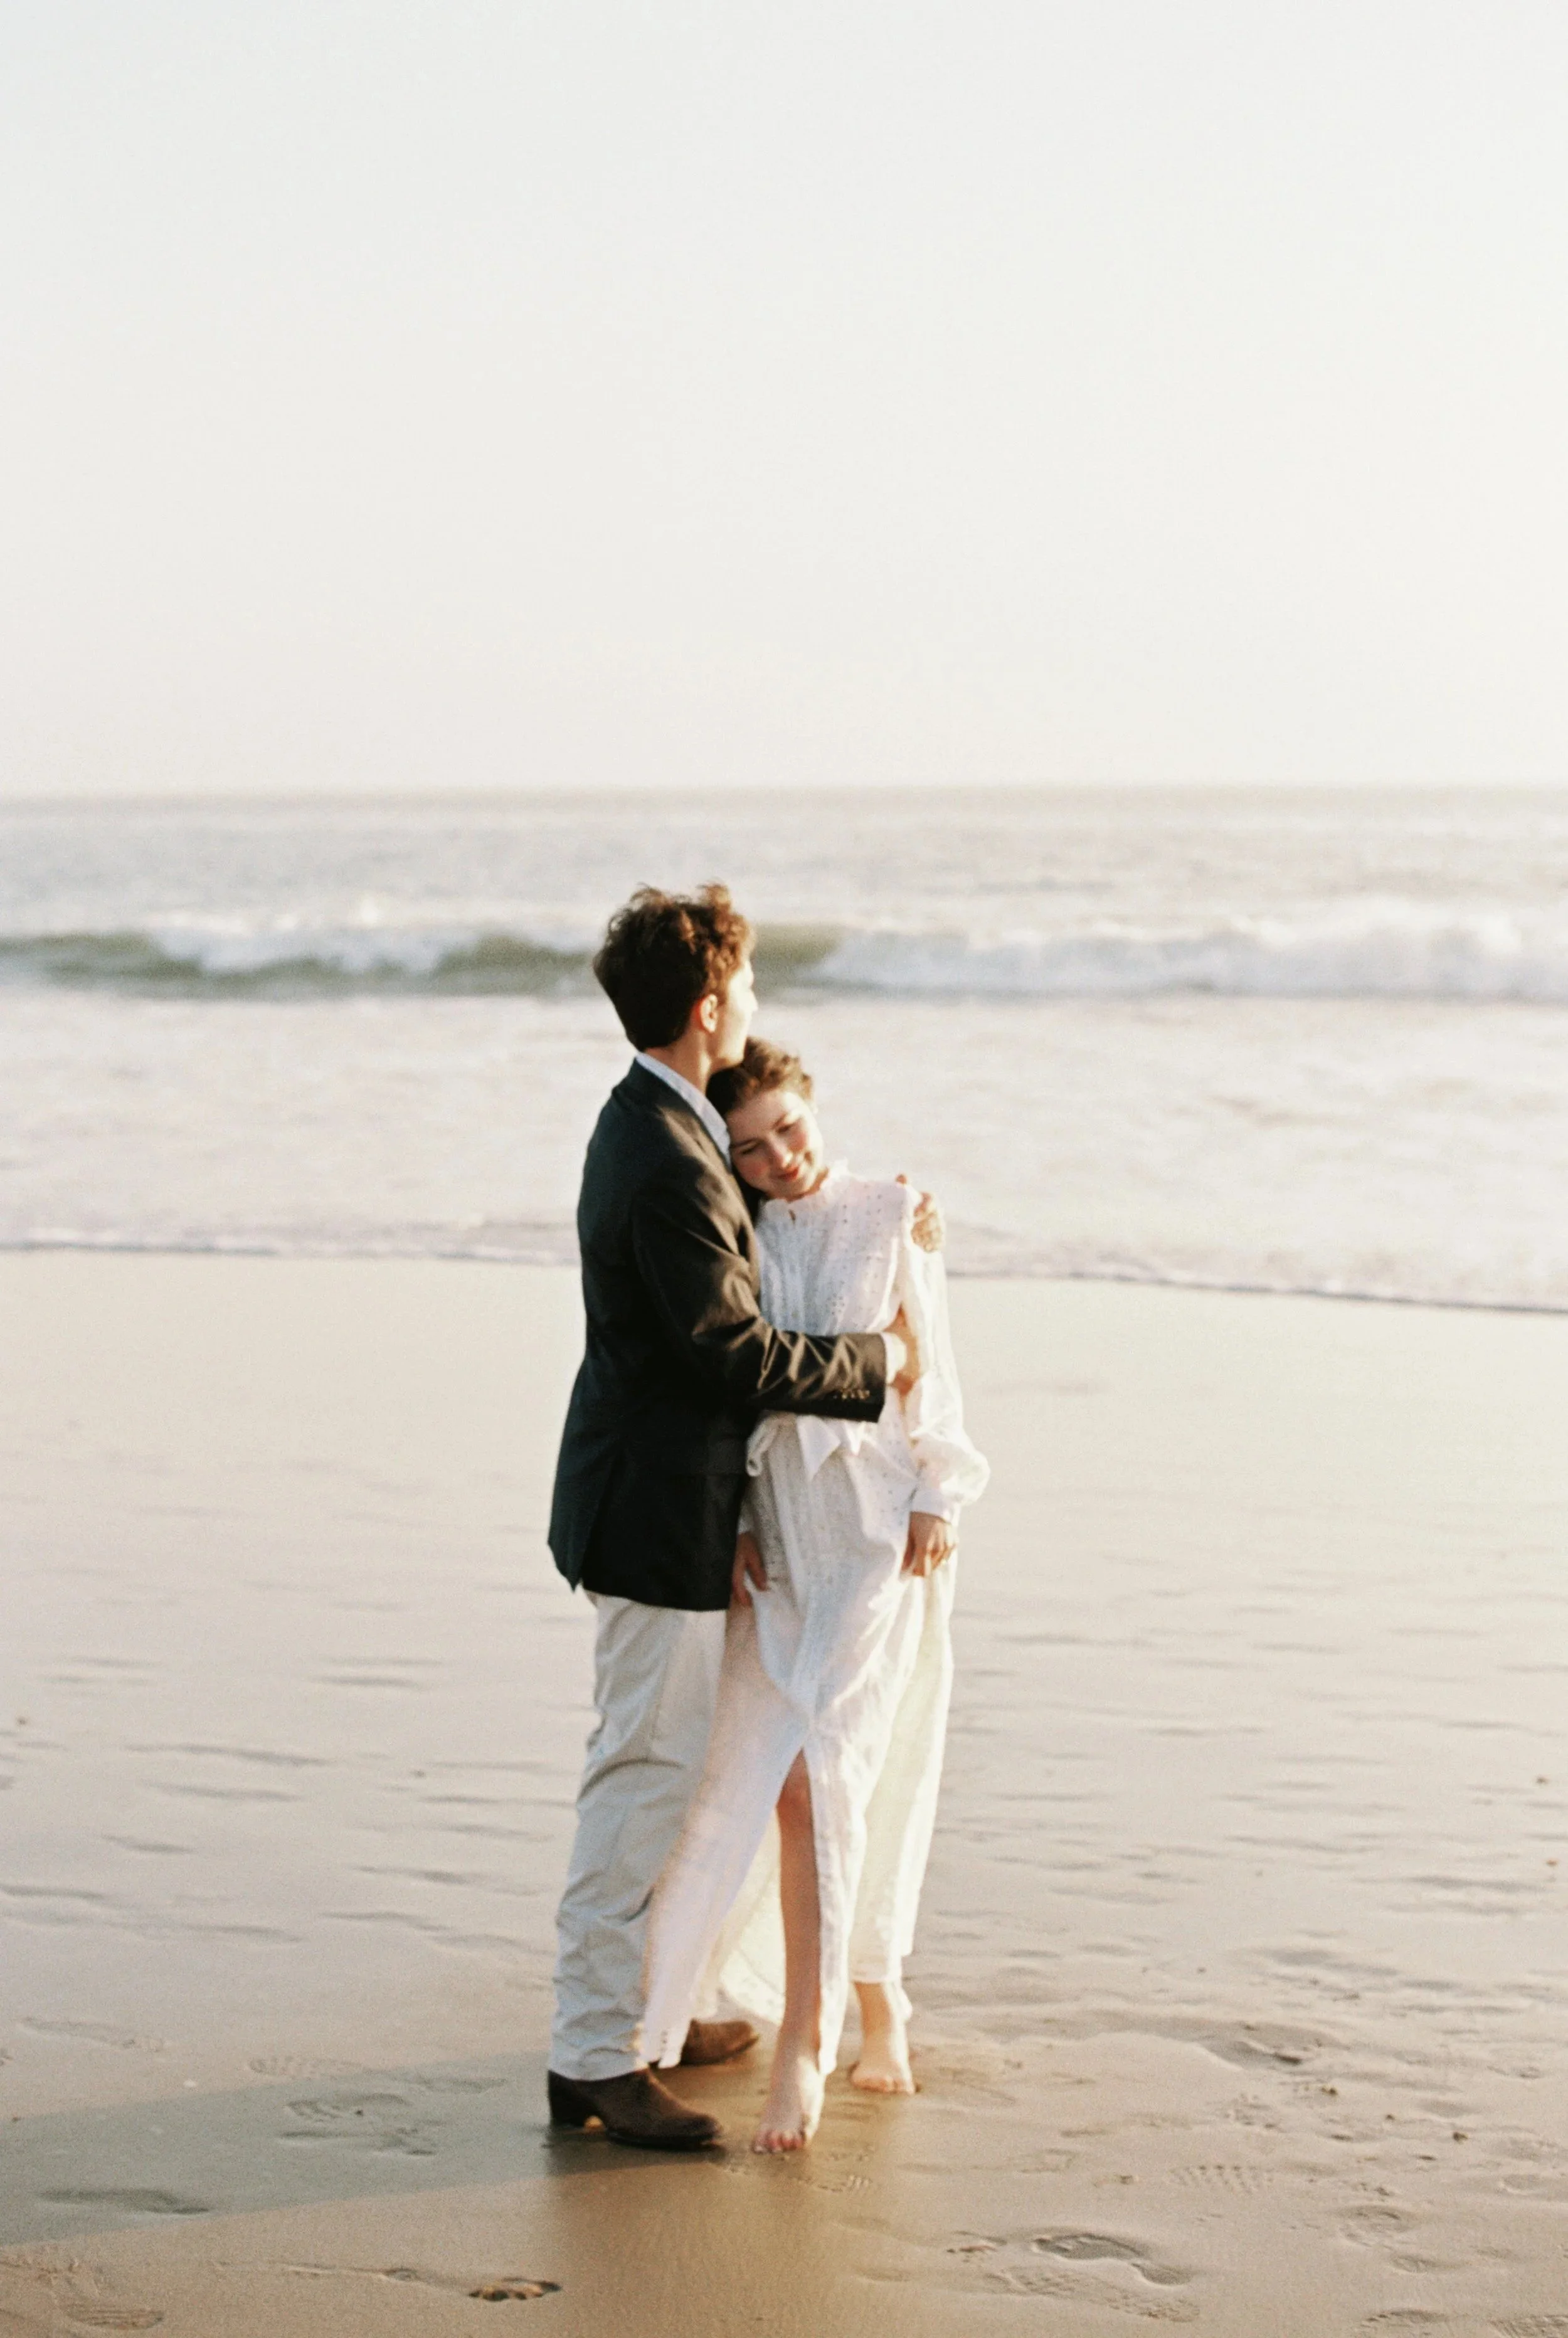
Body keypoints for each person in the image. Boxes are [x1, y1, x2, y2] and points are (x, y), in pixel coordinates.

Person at [546, 886, 933, 2152]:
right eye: (748, 988)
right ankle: (594, 2057)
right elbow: (732, 1350)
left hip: (669, 1506)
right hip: (654, 1518)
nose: (756, 1006)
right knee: (642, 1780)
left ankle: (661, 2007)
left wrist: (877, 1211)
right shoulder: (664, 1153)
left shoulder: (661, 1124)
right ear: (710, 1005)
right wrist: (880, 1359)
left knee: (682, 1774)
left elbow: (771, 1231)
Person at [640, 1037, 988, 2152]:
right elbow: (732, 1390)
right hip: (781, 1533)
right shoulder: (735, 1231)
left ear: (814, 1108)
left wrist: (940, 1491)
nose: (780, 1157)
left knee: (825, 1779)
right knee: (745, 1776)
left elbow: (932, 1368)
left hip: (877, 1533)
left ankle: (810, 2038)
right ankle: (822, 2004)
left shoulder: (892, 1213)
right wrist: (740, 1520)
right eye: (750, 1147)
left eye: (790, 1128)